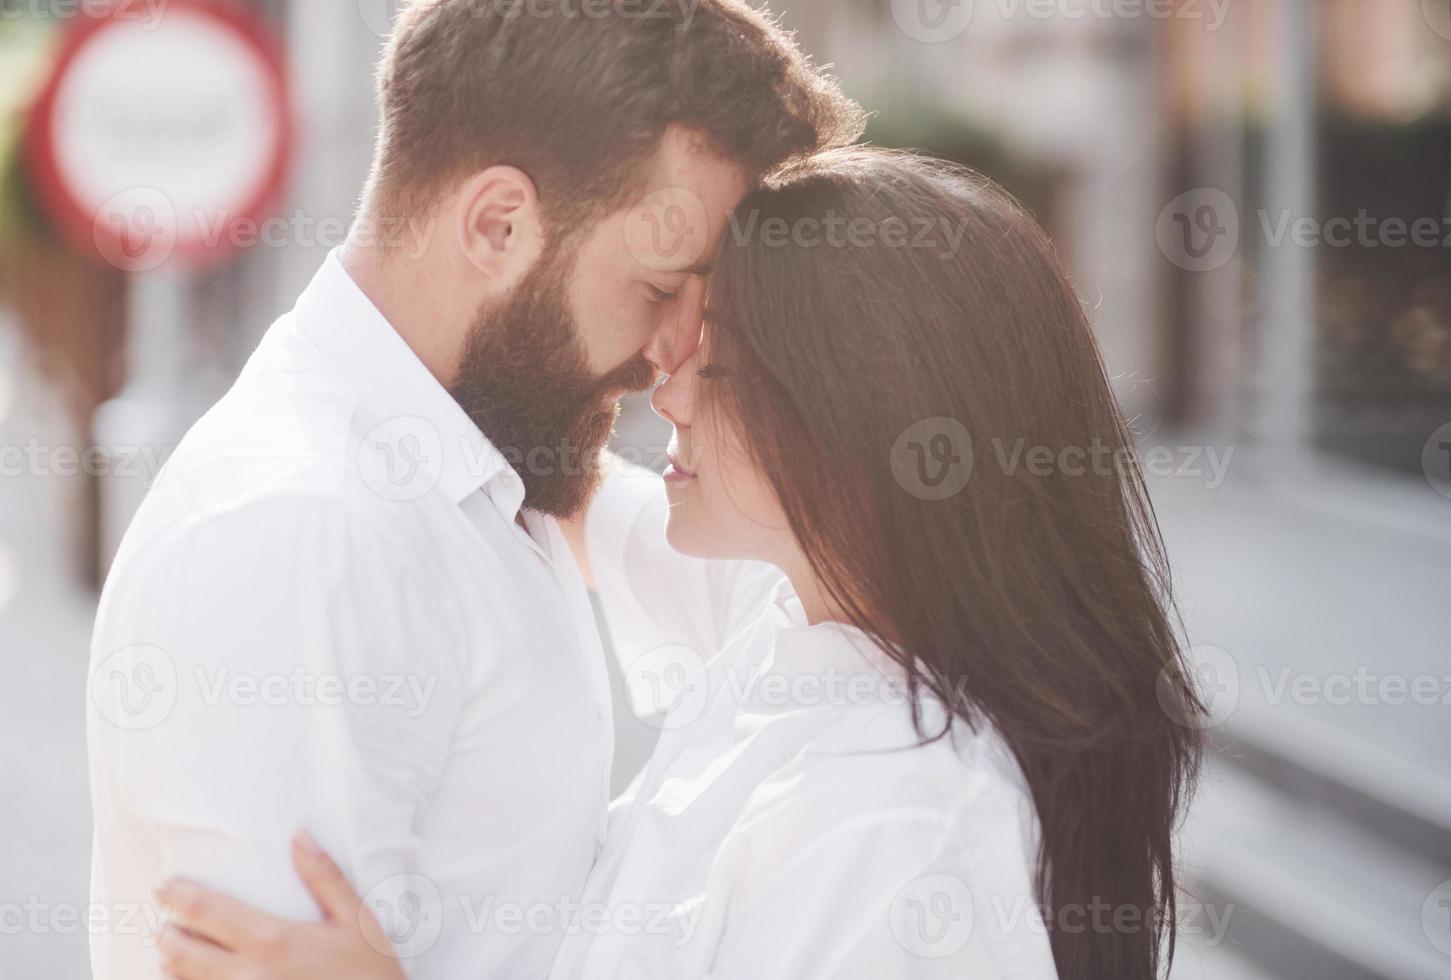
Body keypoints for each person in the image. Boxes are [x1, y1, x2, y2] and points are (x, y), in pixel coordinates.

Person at [150, 149, 1206, 979]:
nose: (671, 390)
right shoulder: (791, 618)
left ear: (862, 426)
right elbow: (566, 487)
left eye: (725, 365)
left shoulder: (892, 826)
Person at [86, 2, 862, 976]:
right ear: (498, 224)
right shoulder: (308, 530)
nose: (673, 353)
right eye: (661, 288)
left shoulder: (488, 463)